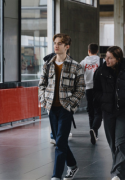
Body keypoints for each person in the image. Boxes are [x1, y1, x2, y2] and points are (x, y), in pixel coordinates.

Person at [38, 33, 85, 180]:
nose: (56, 46)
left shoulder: (75, 66)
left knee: (60, 143)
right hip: (51, 108)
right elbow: (41, 85)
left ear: (67, 46)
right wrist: (44, 101)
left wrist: (71, 105)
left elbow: (81, 88)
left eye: (59, 43)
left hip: (66, 108)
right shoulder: (48, 65)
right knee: (60, 141)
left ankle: (56, 176)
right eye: (55, 43)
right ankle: (72, 165)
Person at [93, 46, 125, 180]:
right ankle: (120, 172)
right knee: (112, 144)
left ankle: (117, 174)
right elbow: (95, 93)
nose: (106, 60)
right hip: (108, 112)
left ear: (118, 59)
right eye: (105, 57)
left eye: (110, 58)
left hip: (124, 112)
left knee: (120, 143)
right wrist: (105, 99)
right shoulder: (100, 72)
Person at [80, 43, 103, 145]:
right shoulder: (101, 61)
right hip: (99, 89)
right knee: (99, 112)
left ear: (88, 51)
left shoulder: (83, 62)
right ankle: (94, 130)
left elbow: (79, 74)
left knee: (91, 111)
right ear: (97, 51)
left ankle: (93, 131)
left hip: (88, 89)